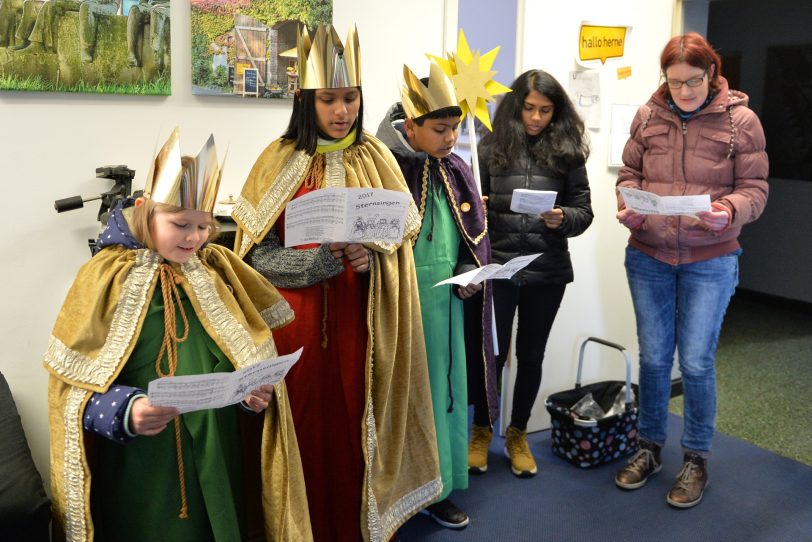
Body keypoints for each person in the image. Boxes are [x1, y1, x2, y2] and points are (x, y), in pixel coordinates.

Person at [43, 128, 311, 541]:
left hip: (217, 452)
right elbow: (71, 391)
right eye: (181, 223)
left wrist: (251, 397)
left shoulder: (214, 271)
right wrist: (124, 412)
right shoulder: (105, 278)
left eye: (205, 226)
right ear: (145, 211)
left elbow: (236, 359)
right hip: (143, 463)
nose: (195, 237)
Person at [232, 25, 441, 542]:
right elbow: (250, 258)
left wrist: (373, 261)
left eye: (350, 98)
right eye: (329, 99)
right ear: (306, 99)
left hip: (360, 323)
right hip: (294, 324)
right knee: (304, 426)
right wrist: (314, 264)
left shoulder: (376, 156)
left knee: (354, 423)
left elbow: (400, 247)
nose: (342, 111)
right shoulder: (277, 159)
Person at [614, 32, 768, 508]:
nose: (684, 92)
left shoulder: (742, 122)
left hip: (711, 258)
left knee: (697, 363)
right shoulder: (647, 116)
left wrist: (730, 210)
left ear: (713, 74)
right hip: (649, 254)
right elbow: (628, 176)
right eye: (675, 82)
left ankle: (696, 458)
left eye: (694, 81)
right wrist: (629, 205)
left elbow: (756, 189)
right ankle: (649, 448)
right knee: (656, 360)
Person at [375, 63, 497, 530]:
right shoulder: (383, 168)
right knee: (403, 396)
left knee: (446, 394)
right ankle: (399, 492)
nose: (450, 138)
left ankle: (441, 488)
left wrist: (471, 269)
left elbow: (472, 236)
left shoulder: (457, 168)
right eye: (441, 129)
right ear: (411, 126)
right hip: (401, 306)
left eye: (455, 129)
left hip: (446, 307)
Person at [470, 69, 593, 478]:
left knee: (531, 354)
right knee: (492, 355)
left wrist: (564, 217)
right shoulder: (489, 147)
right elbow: (470, 210)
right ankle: (483, 431)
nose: (536, 118)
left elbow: (584, 210)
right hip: (500, 266)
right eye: (529, 109)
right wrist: (477, 208)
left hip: (547, 269)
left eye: (545, 110)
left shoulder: (568, 150)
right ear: (516, 107)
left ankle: (518, 433)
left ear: (556, 112)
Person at [13, 0, 119, 62]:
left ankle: (38, 44)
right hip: (86, 1)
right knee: (40, 3)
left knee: (84, 6)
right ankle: (26, 41)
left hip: (105, 4)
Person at [127, 0, 169, 71]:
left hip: (168, 7)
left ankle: (157, 57)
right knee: (134, 10)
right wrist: (146, 6)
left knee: (156, 11)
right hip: (150, 6)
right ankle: (132, 54)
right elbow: (143, 1)